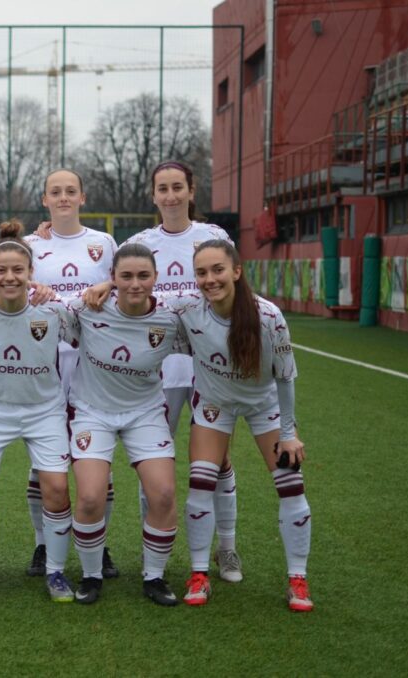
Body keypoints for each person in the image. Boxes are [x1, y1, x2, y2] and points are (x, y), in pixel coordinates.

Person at [172, 240, 311, 611]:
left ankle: (298, 580)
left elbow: (285, 377)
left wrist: (288, 433)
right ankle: (199, 573)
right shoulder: (187, 309)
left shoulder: (268, 317)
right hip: (215, 406)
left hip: (264, 406)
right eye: (201, 272)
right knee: (200, 483)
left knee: (291, 487)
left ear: (236, 271)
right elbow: (140, 304)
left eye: (217, 270)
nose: (209, 279)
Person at [123, 161, 244, 583]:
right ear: (152, 194)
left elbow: (235, 294)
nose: (171, 195)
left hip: (208, 365)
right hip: (156, 368)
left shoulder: (215, 238)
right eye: (163, 188)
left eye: (178, 187)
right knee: (151, 458)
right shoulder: (139, 243)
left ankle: (226, 548)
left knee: (218, 459)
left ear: (192, 191)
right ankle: (151, 549)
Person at [0, 220, 78, 603]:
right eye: (1, 270)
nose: (10, 277)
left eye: (18, 270)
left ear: (31, 274)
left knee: (56, 489)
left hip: (44, 412)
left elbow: (93, 319)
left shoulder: (54, 310)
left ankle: (56, 573)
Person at [68, 243, 185, 607]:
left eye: (143, 276)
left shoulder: (173, 316)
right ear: (112, 278)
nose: (135, 284)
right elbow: (38, 303)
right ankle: (91, 575)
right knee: (90, 497)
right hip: (91, 411)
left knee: (163, 494)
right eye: (126, 276)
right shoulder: (86, 307)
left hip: (144, 412)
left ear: (156, 278)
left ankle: (154, 577)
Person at [23, 168, 120, 580]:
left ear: (83, 198)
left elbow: (126, 282)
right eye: (55, 192)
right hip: (39, 360)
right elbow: (3, 282)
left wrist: (111, 284)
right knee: (43, 460)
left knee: (96, 458)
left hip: (92, 362)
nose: (63, 197)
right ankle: (44, 545)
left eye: (70, 191)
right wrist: (31, 288)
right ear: (44, 200)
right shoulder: (29, 244)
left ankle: (100, 544)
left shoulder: (103, 242)